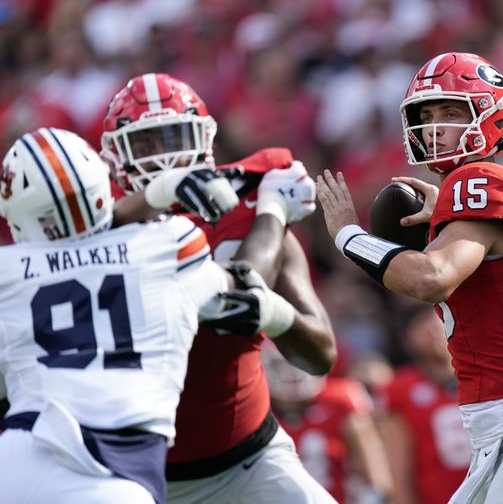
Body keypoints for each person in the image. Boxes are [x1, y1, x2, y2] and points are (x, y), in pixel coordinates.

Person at [317, 52, 503, 504]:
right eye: (426, 116)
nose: (434, 128)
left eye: (450, 112)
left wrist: (348, 235)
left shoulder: (484, 180)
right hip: (498, 430)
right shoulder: (482, 188)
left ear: (490, 113)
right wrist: (449, 209)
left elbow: (432, 278)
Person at [0, 128, 291, 503]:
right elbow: (250, 292)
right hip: (111, 477)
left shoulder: (7, 271)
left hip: (17, 458)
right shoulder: (166, 244)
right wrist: (272, 209)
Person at [101, 73, 338, 503]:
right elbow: (94, 224)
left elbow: (320, 354)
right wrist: (162, 194)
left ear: (205, 138)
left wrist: (275, 313)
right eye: (147, 145)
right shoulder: (96, 231)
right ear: (116, 156)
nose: (166, 158)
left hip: (250, 458)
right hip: (130, 477)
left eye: (176, 137)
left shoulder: (246, 214)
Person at [264, 343, 394, 503]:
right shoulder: (259, 410)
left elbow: (372, 465)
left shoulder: (341, 398)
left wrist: (378, 495)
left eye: (299, 363)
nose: (292, 374)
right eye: (281, 366)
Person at [378, 307, 471, 504]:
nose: (433, 330)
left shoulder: (482, 374)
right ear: (408, 339)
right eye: (422, 326)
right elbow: (397, 464)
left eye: (438, 322)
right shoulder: (400, 389)